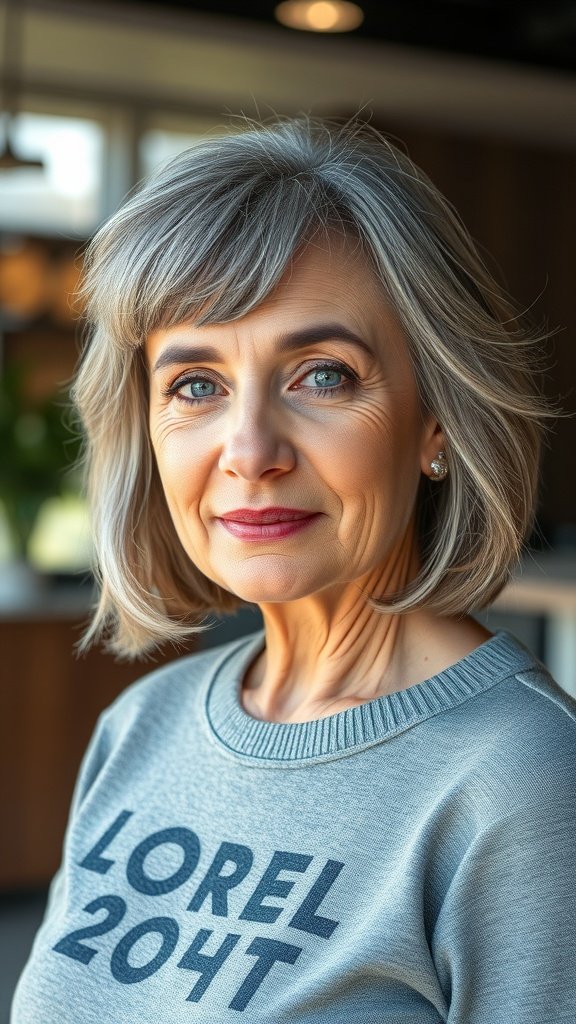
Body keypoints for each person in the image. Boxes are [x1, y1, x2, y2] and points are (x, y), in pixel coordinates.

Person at [11, 116, 576, 1024]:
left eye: (322, 375)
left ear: (436, 422)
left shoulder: (526, 783)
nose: (250, 450)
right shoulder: (141, 727)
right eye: (196, 385)